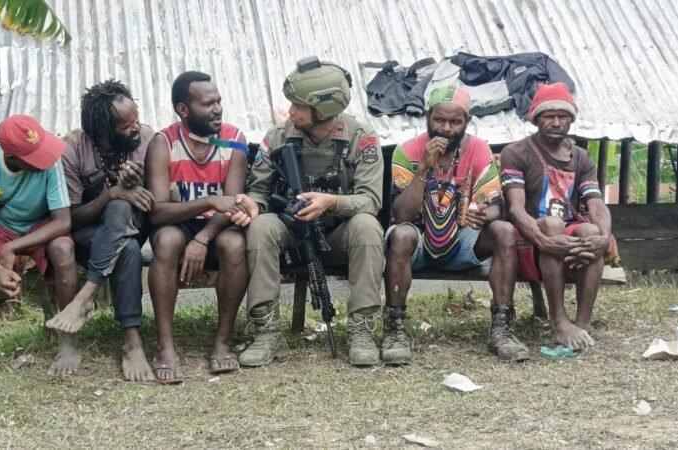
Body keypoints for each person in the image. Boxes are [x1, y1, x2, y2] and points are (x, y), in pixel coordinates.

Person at [230, 56, 385, 367]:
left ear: (323, 109)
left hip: (338, 234)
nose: (291, 112)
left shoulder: (360, 138)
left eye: (298, 106)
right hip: (292, 232)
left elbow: (370, 200)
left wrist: (331, 202)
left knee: (368, 226)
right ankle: (267, 332)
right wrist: (253, 204)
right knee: (261, 227)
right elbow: (259, 190)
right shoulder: (277, 136)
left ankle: (361, 331)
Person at [383, 86, 527, 363]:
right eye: (439, 120)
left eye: (455, 122)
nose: (446, 129)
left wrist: (484, 215)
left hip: (463, 240)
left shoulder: (479, 149)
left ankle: (502, 328)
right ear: (427, 116)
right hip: (418, 242)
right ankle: (395, 329)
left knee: (504, 231)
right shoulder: (406, 151)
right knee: (400, 235)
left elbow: (495, 206)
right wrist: (423, 167)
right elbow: (402, 216)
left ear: (467, 121)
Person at [145, 71, 251, 384]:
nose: (217, 109)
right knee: (165, 241)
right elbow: (157, 212)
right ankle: (165, 346)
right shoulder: (163, 143)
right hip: (176, 223)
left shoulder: (235, 140)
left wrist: (203, 238)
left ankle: (222, 341)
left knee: (234, 244)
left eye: (218, 101)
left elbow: (233, 204)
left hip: (218, 227)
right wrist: (207, 201)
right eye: (207, 104)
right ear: (183, 109)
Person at [45, 80, 155, 381]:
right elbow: (68, 219)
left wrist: (138, 184)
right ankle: (132, 342)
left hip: (135, 225)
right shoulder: (71, 150)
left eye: (136, 118)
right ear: (102, 131)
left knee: (122, 210)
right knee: (127, 246)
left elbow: (160, 198)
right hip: (88, 235)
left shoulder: (148, 140)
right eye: (126, 125)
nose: (136, 127)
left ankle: (84, 297)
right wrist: (111, 194)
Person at [0, 115, 76, 375]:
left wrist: (11, 248)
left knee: (63, 249)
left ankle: (69, 342)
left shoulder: (50, 161)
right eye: (34, 157)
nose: (44, 159)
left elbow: (63, 222)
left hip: (39, 226)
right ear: (11, 156)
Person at [500, 82, 611, 351]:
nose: (557, 122)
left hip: (566, 236)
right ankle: (559, 321)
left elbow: (596, 204)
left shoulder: (581, 157)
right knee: (552, 224)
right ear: (536, 118)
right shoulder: (516, 153)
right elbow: (515, 209)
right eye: (549, 116)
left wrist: (604, 237)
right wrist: (543, 239)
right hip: (529, 237)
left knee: (591, 232)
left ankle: (582, 324)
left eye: (563, 116)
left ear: (571, 120)